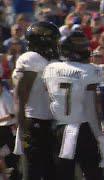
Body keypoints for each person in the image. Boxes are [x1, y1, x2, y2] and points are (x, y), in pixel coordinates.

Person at [42, 30, 104, 180]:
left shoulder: (50, 68)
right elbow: (91, 109)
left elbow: (48, 97)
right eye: (82, 47)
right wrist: (100, 137)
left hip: (59, 128)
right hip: (82, 129)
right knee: (94, 173)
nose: (86, 50)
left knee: (64, 174)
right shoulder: (90, 70)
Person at [12, 21, 60, 180]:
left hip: (49, 123)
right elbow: (21, 94)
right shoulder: (30, 58)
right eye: (54, 40)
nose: (56, 44)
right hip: (34, 121)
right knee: (32, 171)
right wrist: (22, 125)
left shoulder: (50, 62)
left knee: (50, 172)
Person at [0, 83, 20, 180]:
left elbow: (12, 114)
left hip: (8, 128)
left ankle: (11, 175)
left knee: (13, 156)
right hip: (3, 128)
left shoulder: (6, 96)